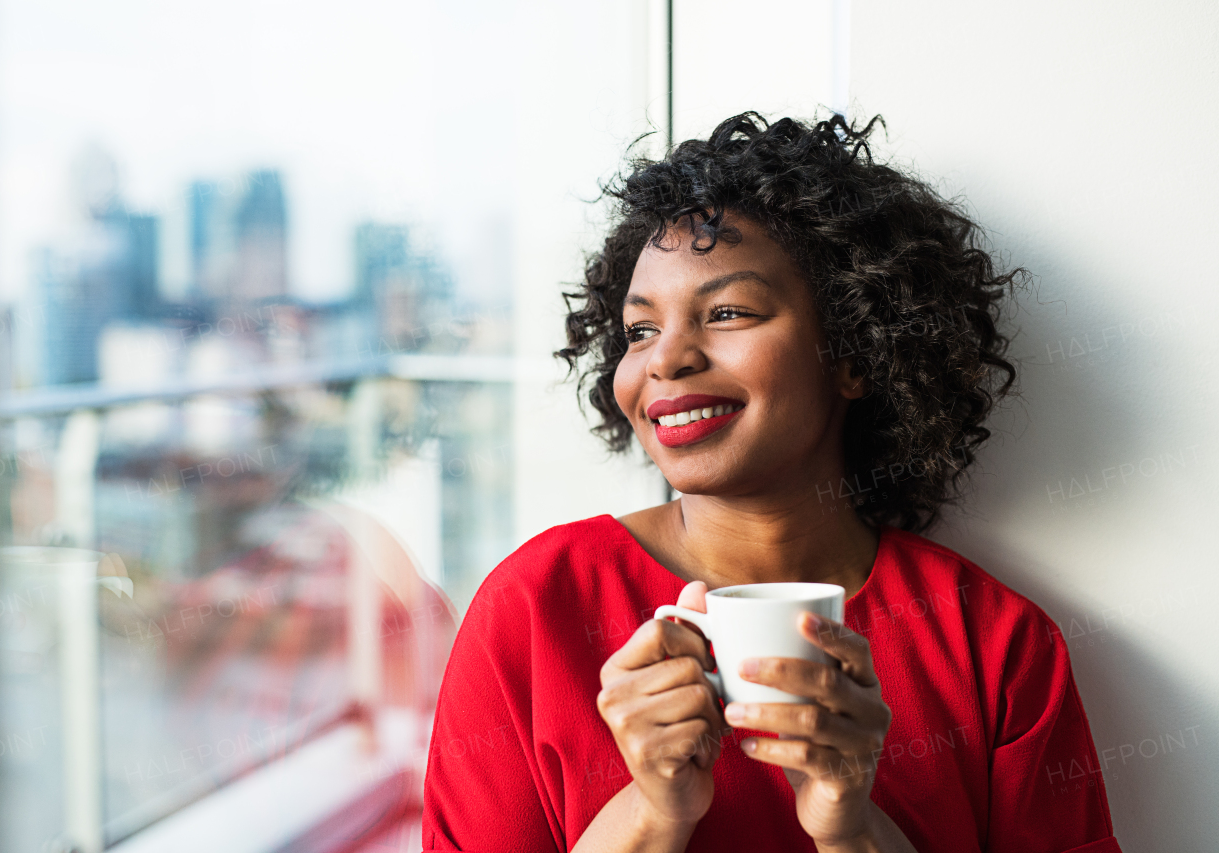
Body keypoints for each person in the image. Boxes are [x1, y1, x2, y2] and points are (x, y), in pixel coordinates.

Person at [420, 113, 1121, 852]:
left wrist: (850, 826)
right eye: (638, 330)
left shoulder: (996, 643)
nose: (667, 359)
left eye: (726, 312)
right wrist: (653, 810)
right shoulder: (533, 608)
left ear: (855, 352)